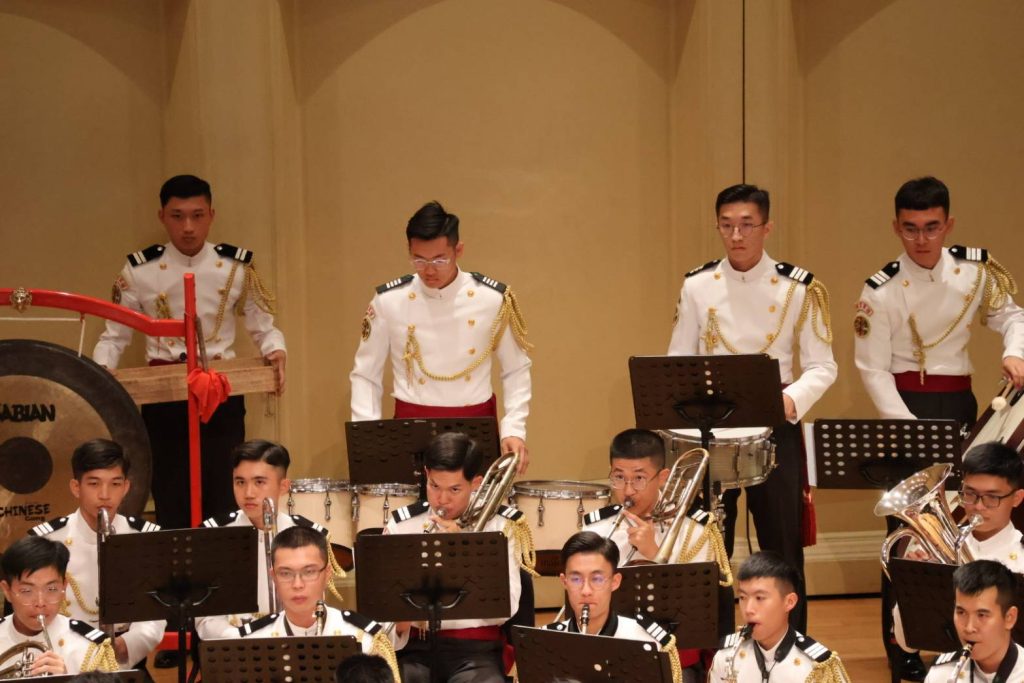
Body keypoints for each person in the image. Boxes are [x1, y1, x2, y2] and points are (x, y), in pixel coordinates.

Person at [668, 183, 837, 631]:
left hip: (774, 422)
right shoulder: (698, 285)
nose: (736, 235)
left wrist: (789, 400)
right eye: (726, 225)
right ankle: (712, 646)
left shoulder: (799, 287)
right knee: (709, 544)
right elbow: (677, 359)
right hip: (711, 427)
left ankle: (791, 645)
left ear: (767, 227)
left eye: (747, 224)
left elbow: (823, 366)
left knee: (781, 543)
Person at [93, 174, 287, 529]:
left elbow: (264, 326)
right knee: (171, 491)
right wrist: (99, 374)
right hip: (164, 395)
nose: (188, 227)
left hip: (220, 393)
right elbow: (114, 336)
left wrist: (275, 350)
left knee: (225, 489)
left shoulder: (236, 266)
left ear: (211, 215)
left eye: (197, 215)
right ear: (162, 217)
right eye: (177, 216)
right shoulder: (139, 270)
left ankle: (224, 560)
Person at [349, 200, 533, 472]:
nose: (429, 270)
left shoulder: (492, 299)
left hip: (475, 426)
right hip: (411, 427)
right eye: (419, 260)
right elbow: (366, 374)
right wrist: (369, 436)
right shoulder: (390, 300)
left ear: (458, 250)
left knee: (476, 499)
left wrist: (514, 429)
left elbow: (516, 369)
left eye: (439, 259)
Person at [855, 176, 1024, 427]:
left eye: (931, 228)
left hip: (960, 398)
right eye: (910, 229)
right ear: (896, 228)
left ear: (948, 225)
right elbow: (873, 369)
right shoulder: (880, 290)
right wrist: (905, 423)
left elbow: (1012, 317)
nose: (921, 240)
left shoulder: (974, 272)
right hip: (906, 402)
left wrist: (1015, 354)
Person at [385, 431, 535, 683]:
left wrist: (463, 548)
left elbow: (506, 606)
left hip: (476, 650)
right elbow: (385, 607)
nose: (442, 499)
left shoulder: (502, 526)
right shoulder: (403, 524)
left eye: (454, 489)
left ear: (475, 483)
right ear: (426, 474)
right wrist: (398, 619)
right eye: (434, 486)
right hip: (414, 649)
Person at [582, 428, 728, 680]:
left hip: (672, 656)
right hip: (611, 652)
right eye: (619, 477)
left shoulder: (694, 529)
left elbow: (697, 609)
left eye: (639, 478)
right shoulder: (597, 528)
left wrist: (654, 553)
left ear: (662, 478)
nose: (628, 490)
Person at [29, 439, 165, 672]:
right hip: (64, 660)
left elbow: (156, 611)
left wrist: (126, 646)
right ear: (76, 487)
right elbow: (31, 614)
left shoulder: (145, 537)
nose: (105, 495)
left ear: (126, 487)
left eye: (115, 484)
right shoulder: (47, 540)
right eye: (94, 483)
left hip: (124, 659)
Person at [892, 442, 1024, 663]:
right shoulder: (936, 547)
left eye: (992, 497)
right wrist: (916, 583)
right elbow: (907, 643)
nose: (978, 506)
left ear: (1017, 498)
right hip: (950, 670)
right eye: (970, 494)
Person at [197, 439, 339, 640]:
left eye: (259, 482)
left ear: (283, 486)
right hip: (236, 645)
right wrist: (244, 639)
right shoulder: (213, 537)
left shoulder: (310, 535)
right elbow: (206, 620)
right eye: (240, 482)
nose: (248, 493)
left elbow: (315, 609)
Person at [235, 526, 400, 682]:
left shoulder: (364, 638)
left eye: (309, 572)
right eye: (285, 573)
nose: (297, 584)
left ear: (327, 573)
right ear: (273, 577)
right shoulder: (251, 641)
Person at [542, 531, 681, 682]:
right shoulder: (544, 641)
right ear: (564, 582)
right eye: (575, 579)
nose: (586, 591)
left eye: (597, 579)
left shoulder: (647, 641)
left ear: (615, 582)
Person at [708, 552, 850, 682]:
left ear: (789, 602)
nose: (748, 609)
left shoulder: (818, 668)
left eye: (759, 598)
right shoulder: (726, 656)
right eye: (743, 597)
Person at [0, 536, 117, 676]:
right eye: (26, 591)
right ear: (7, 591)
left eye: (51, 589)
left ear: (64, 588)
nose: (40, 603)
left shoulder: (89, 647)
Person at [926, 560, 1024, 682]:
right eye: (961, 612)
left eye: (981, 615)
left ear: (1010, 618)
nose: (969, 628)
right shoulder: (941, 674)